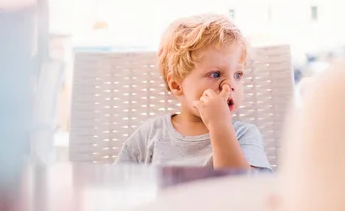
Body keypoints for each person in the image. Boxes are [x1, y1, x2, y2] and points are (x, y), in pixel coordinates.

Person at [115, 14, 272, 170]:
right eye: (215, 74)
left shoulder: (244, 134)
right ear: (177, 85)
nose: (230, 85)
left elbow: (242, 188)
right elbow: (117, 184)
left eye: (238, 75)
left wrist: (219, 125)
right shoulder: (151, 134)